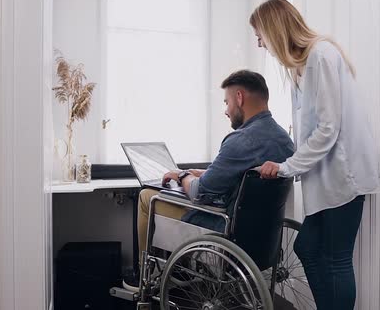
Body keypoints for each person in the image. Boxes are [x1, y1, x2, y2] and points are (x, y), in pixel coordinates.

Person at [251, 0, 380, 309]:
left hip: (343, 176)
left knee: (336, 259)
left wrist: (286, 167)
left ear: (275, 30)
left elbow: (328, 128)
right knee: (307, 247)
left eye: (260, 35)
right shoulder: (300, 67)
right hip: (326, 177)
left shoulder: (321, 55)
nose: (259, 43)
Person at [123, 69, 294, 291]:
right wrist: (201, 171)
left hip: (223, 227)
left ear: (240, 98)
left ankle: (145, 276)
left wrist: (183, 175)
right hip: (261, 237)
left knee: (147, 196)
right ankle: (181, 269)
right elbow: (242, 176)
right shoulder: (284, 141)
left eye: (227, 102)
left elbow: (198, 193)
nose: (226, 111)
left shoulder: (240, 140)